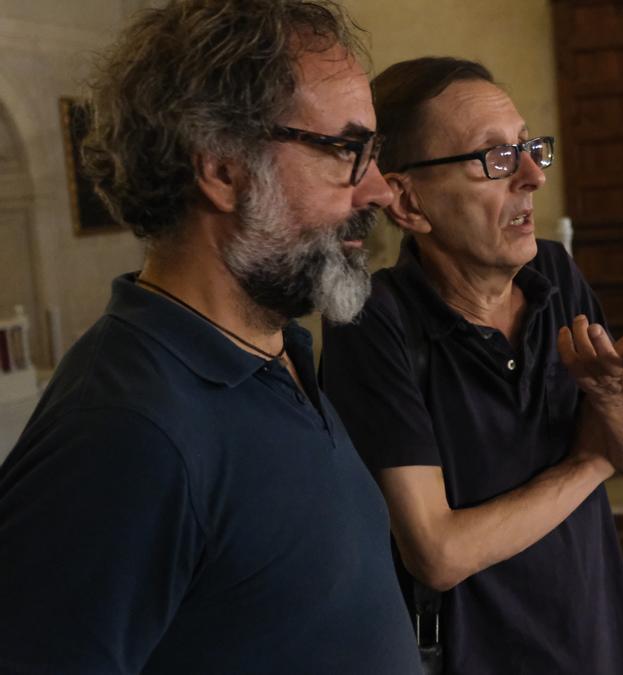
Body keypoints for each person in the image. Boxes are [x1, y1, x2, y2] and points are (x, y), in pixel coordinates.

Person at [0, 2, 421, 673]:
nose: (377, 189)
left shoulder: (279, 350)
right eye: (347, 150)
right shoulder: (125, 429)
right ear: (222, 168)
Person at [320, 57, 623, 674]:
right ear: (408, 203)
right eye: (493, 158)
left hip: (596, 639)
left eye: (529, 147)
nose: (531, 176)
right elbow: (437, 552)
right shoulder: (371, 322)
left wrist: (617, 395)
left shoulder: (553, 274)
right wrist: (588, 462)